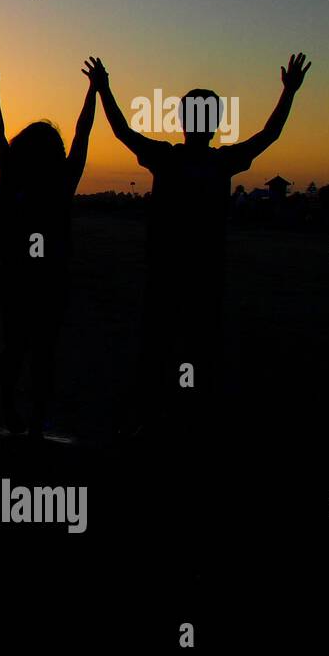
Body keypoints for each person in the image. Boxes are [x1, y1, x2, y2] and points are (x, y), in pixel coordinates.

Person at [97, 53, 311, 427]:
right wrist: (288, 93)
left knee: (163, 343)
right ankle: (189, 410)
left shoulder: (167, 158)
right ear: (214, 123)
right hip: (201, 272)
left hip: (170, 270)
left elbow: (121, 130)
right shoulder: (220, 161)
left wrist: (104, 89)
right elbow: (269, 134)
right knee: (196, 343)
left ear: (181, 121)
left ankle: (162, 410)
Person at [0, 64, 97, 437]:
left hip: (18, 276)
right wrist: (94, 92)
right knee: (42, 349)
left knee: (15, 346)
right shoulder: (62, 179)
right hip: (50, 278)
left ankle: (12, 410)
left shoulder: (13, 173)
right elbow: (82, 134)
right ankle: (35, 418)